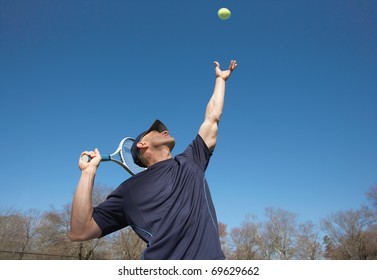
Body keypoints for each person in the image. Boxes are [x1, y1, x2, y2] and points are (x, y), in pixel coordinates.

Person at [70, 60, 238, 259]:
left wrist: (220, 80)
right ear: (142, 145)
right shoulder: (129, 190)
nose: (165, 130)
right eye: (156, 131)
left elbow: (212, 117)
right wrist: (88, 173)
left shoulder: (191, 159)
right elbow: (80, 231)